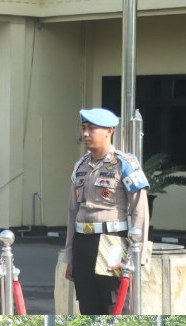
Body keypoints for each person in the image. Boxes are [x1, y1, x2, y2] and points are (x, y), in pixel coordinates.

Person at [62, 108, 150, 315]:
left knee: (115, 307)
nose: (85, 134)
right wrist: (70, 256)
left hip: (112, 243)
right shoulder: (80, 166)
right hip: (83, 243)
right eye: (83, 128)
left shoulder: (124, 164)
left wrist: (135, 256)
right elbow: (72, 212)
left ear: (109, 131)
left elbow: (140, 211)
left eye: (92, 129)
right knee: (87, 306)